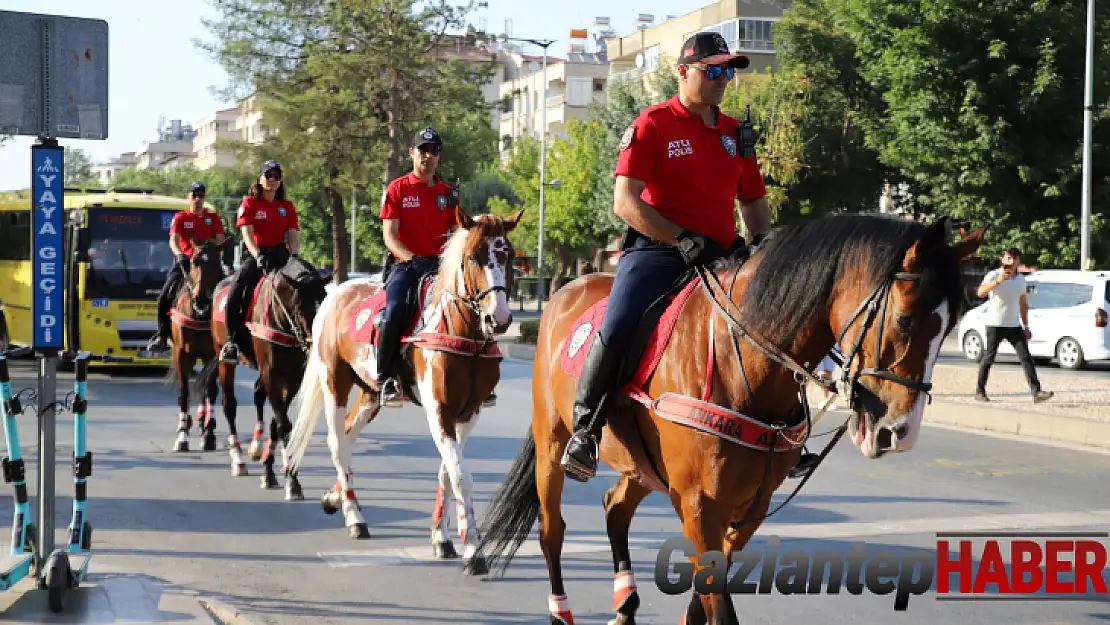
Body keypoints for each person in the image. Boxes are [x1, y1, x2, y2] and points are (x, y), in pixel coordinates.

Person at [560, 32, 820, 482]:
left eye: (728, 72)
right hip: (657, 253)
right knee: (618, 323)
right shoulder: (652, 124)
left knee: (775, 323)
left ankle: (787, 433)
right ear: (683, 72)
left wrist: (764, 245)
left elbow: (753, 202)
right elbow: (626, 201)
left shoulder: (736, 133)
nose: (722, 79)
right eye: (712, 70)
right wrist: (678, 237)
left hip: (722, 256)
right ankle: (585, 430)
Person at [378, 127, 498, 408]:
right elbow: (389, 235)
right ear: (412, 153)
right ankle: (385, 378)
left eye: (434, 151)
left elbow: (457, 233)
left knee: (476, 307)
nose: (428, 156)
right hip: (406, 266)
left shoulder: (447, 193)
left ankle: (483, 380)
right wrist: (410, 258)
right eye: (423, 150)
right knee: (393, 311)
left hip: (439, 267)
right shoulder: (397, 189)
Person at [221, 160, 301, 364]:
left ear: (280, 180)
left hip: (281, 256)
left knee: (306, 288)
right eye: (268, 176)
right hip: (257, 256)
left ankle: (305, 340)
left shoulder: (287, 206)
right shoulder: (249, 203)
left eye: (276, 176)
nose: (272, 180)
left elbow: (292, 235)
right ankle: (231, 343)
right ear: (260, 179)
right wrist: (258, 255)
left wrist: (294, 257)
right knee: (235, 293)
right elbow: (246, 235)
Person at [147, 182, 226, 352]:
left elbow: (220, 239)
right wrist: (180, 255)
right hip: (186, 262)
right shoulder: (181, 217)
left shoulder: (213, 218)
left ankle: (230, 338)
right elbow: (173, 240)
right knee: (164, 296)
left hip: (207, 263)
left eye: (201, 195)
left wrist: (208, 248)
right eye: (194, 195)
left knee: (228, 294)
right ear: (188, 197)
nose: (198, 199)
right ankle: (161, 336)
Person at [974, 247, 1054, 403]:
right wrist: (998, 281)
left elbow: (1023, 302)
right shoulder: (993, 275)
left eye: (1015, 258)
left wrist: (1026, 326)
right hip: (995, 323)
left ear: (1018, 260)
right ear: (1002, 259)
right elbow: (980, 293)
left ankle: (1036, 392)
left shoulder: (1020, 280)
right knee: (989, 357)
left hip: (1013, 324)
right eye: (1008, 258)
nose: (1012, 261)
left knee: (1026, 357)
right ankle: (980, 391)